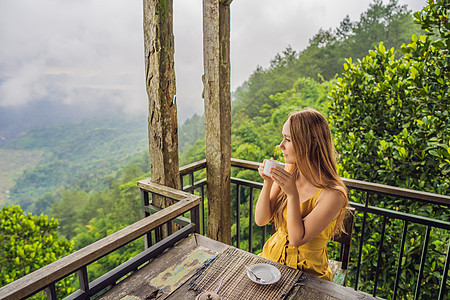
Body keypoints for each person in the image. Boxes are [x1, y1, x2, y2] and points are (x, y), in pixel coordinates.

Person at [255, 108, 349, 281]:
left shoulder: (333, 195)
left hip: (308, 274)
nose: (281, 145)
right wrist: (267, 182)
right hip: (272, 259)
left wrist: (292, 195)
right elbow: (261, 220)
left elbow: (297, 238)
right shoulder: (290, 172)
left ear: (311, 143)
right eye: (283, 138)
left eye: (288, 139)